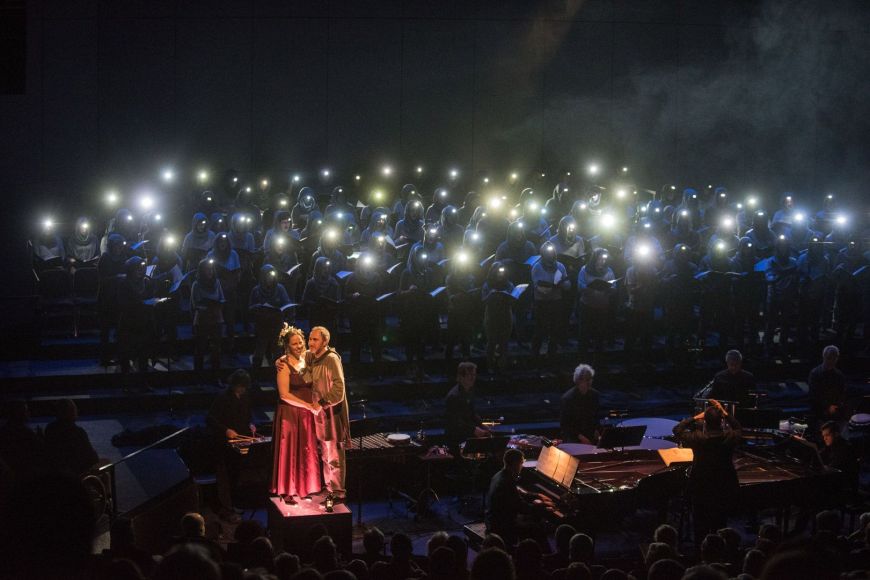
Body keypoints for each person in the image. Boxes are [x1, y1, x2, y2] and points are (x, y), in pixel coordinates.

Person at [672, 400, 742, 543]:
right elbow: (738, 427)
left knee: (700, 525)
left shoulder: (698, 438)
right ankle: (720, 554)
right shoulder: (729, 437)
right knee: (720, 523)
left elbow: (677, 430)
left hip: (700, 486)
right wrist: (725, 413)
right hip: (723, 485)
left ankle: (701, 552)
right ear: (721, 422)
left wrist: (696, 417)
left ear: (705, 422)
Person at [272, 325, 322, 504]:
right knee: (291, 451)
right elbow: (284, 395)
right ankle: (288, 490)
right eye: (294, 344)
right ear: (287, 346)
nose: (299, 346)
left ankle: (305, 488)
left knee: (306, 449)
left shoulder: (309, 357)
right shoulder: (283, 364)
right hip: (291, 413)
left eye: (301, 342)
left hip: (307, 412)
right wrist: (307, 405)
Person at [301, 326, 350, 503]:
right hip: (320, 414)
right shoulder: (312, 356)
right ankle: (329, 488)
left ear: (325, 342)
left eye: (315, 340)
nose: (311, 342)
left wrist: (322, 403)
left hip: (332, 413)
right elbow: (295, 356)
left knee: (335, 454)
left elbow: (339, 389)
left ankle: (338, 492)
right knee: (325, 453)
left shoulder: (331, 359)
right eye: (310, 339)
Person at [206, 369, 256, 523]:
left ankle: (236, 503)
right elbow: (210, 419)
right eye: (240, 387)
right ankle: (227, 507)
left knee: (238, 474)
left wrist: (251, 425)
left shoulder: (245, 396)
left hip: (240, 439)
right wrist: (226, 430)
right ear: (234, 385)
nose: (242, 390)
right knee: (228, 476)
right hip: (224, 443)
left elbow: (247, 415)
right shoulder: (223, 397)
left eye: (244, 387)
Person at [484, 448, 533, 548]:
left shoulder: (499, 475)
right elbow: (521, 507)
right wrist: (540, 507)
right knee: (535, 528)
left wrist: (534, 496)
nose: (521, 466)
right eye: (521, 463)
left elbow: (514, 498)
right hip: (500, 525)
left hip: (492, 519)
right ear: (515, 464)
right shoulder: (506, 482)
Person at [43, 399, 99, 477]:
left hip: (55, 473)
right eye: (74, 409)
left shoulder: (50, 428)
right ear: (72, 412)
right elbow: (92, 457)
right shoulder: (78, 432)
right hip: (77, 474)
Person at [444, 362, 490, 454]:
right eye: (469, 375)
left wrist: (482, 425)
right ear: (461, 376)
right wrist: (474, 430)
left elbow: (472, 413)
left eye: (474, 374)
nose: (473, 378)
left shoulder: (469, 390)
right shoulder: (454, 396)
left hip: (467, 433)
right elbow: (456, 422)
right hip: (456, 439)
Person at [191, 258, 225, 371]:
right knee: (200, 349)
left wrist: (218, 305)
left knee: (216, 350)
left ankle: (216, 377)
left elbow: (221, 298)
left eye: (211, 269)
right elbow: (195, 304)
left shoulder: (217, 282)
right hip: (202, 320)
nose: (210, 272)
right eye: (207, 269)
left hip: (216, 319)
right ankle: (199, 379)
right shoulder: (196, 285)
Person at [560, 364, 601, 444]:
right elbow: (565, 425)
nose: (589, 382)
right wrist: (580, 437)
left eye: (590, 379)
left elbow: (596, 417)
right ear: (578, 380)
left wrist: (597, 430)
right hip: (573, 437)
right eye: (586, 379)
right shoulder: (567, 398)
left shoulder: (595, 395)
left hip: (590, 434)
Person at [808, 345, 846, 426]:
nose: (831, 361)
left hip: (834, 410)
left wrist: (836, 405)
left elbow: (842, 392)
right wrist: (828, 406)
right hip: (819, 411)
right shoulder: (815, 373)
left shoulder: (839, 375)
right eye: (829, 358)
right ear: (824, 357)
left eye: (834, 358)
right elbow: (814, 395)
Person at [819, 421, 859, 494]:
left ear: (836, 434)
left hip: (844, 487)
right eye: (823, 436)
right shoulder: (829, 446)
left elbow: (833, 468)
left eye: (827, 435)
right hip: (835, 481)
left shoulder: (845, 448)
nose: (824, 438)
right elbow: (819, 457)